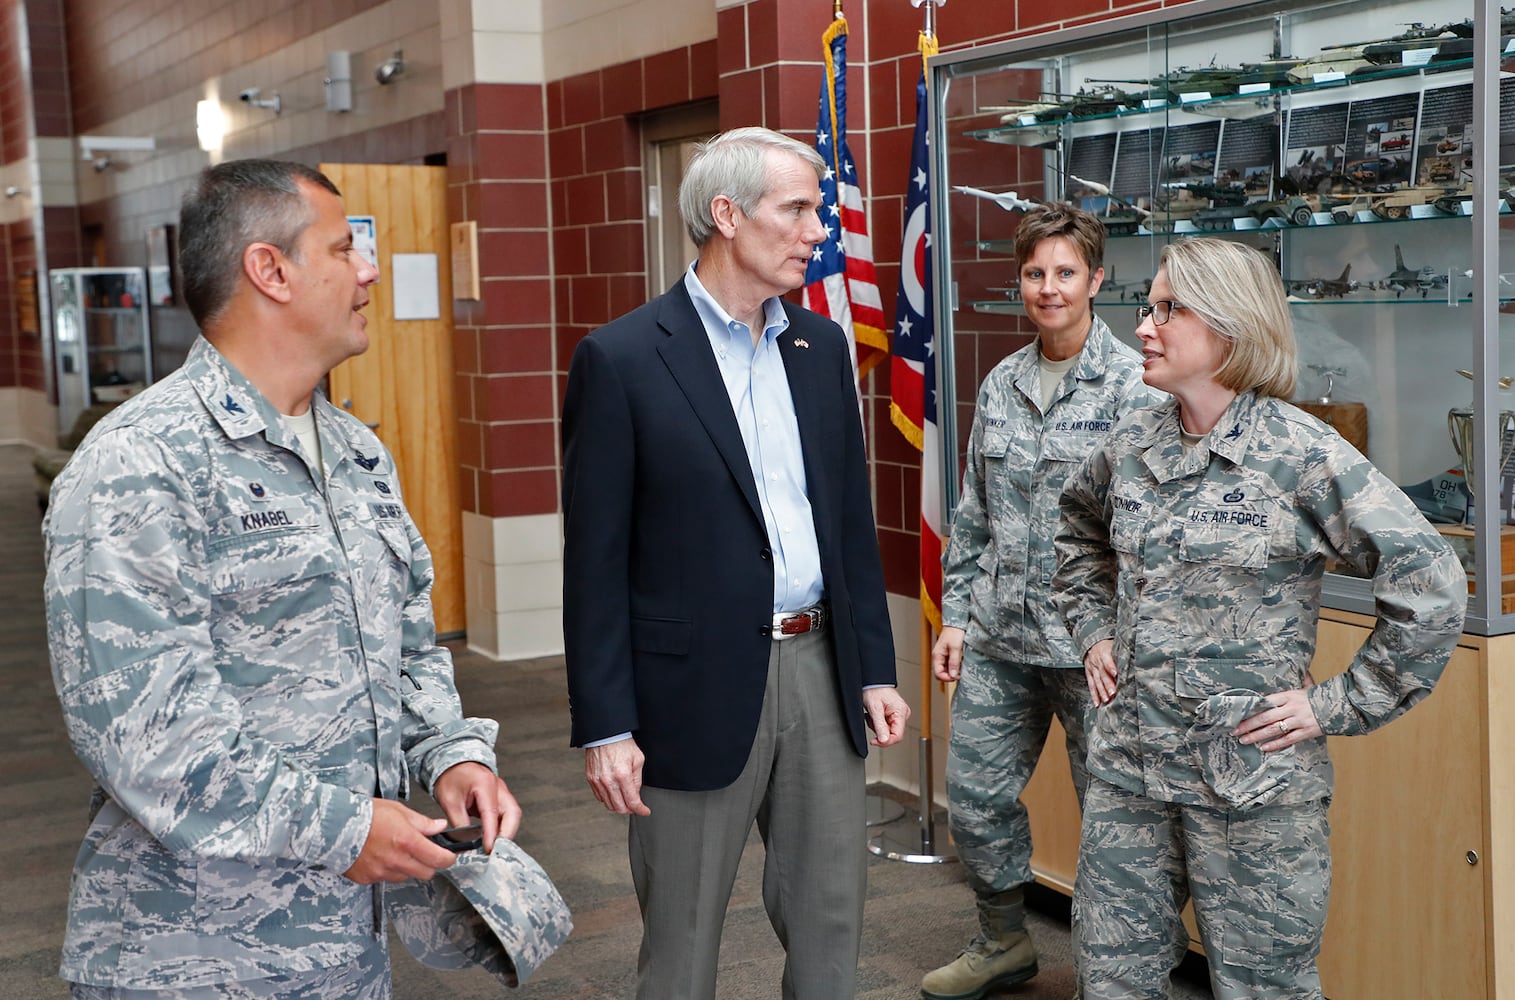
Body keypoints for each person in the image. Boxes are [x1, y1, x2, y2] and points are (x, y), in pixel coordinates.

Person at [43, 159, 521, 998]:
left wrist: (449, 753)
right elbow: (148, 739)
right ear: (269, 270)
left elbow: (407, 639)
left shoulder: (357, 452)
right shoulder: (139, 465)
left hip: (345, 946)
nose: (369, 270)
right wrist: (345, 829)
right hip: (191, 958)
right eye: (343, 249)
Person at [1053, 237, 1466, 999]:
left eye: (1167, 310)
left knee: (1263, 987)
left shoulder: (1300, 454)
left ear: (1230, 328)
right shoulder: (1131, 444)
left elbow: (1430, 581)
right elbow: (1075, 531)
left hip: (1249, 786)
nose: (1142, 326)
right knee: (1110, 980)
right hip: (1128, 776)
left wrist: (1336, 703)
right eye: (1147, 307)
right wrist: (1093, 632)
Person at [560, 126, 910, 1000]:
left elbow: (846, 526)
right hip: (688, 691)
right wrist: (606, 726)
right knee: (680, 946)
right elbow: (594, 564)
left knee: (832, 923)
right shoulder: (623, 357)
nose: (816, 232)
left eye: (818, 212)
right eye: (795, 210)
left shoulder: (821, 350)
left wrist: (872, 669)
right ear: (726, 214)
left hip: (822, 673)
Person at [922, 203, 1158, 1000]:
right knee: (977, 803)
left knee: (1114, 823)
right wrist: (956, 615)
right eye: (1033, 274)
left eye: (1064, 273)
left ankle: (1114, 973)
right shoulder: (1002, 382)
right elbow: (973, 514)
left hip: (1096, 651)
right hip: (1000, 638)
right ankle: (1001, 941)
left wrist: (1128, 637)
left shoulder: (1137, 389)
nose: (1047, 289)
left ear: (1096, 280)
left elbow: (1147, 533)